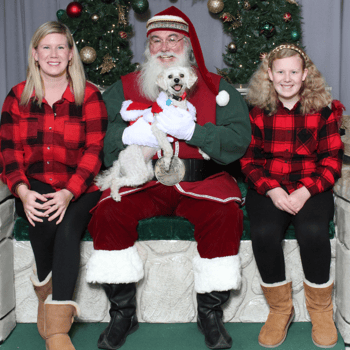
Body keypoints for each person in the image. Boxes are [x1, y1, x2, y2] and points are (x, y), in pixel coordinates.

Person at [85, 6, 251, 350]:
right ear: (147, 48)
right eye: (156, 40)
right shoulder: (127, 86)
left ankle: (210, 312)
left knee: (225, 214)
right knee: (107, 212)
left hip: (202, 181)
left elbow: (238, 140)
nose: (164, 47)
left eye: (173, 39)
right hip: (144, 180)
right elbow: (97, 133)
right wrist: (128, 137)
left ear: (187, 45)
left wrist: (194, 131)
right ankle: (122, 313)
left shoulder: (218, 88)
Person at [0, 21, 107, 350]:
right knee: (42, 222)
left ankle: (58, 331)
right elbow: (8, 152)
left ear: (72, 55)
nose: (54, 54)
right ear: (35, 54)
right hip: (33, 184)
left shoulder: (89, 96)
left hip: (81, 186)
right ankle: (46, 293)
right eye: (46, 47)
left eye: (61, 47)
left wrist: (68, 192)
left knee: (66, 230)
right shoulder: (17, 96)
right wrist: (22, 191)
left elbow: (94, 152)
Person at [240, 44, 343, 348]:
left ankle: (320, 310)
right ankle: (280, 309)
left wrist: (305, 192)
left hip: (310, 187)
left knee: (313, 232)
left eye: (294, 72)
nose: (287, 78)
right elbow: (248, 161)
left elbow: (332, 160)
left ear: (305, 74)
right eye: (280, 72)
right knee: (263, 232)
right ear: (269, 75)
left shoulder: (322, 110)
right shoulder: (257, 112)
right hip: (268, 187)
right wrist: (271, 190)